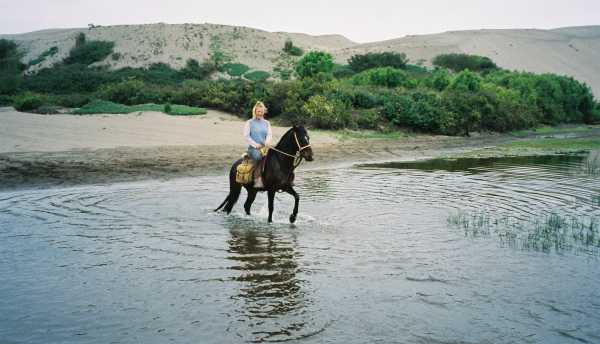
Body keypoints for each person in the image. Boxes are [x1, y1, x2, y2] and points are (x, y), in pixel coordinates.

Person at [243, 101, 272, 188]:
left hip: (265, 147)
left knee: (274, 156)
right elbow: (246, 136)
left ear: (264, 112)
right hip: (253, 148)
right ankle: (257, 179)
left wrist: (267, 142)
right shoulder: (249, 122)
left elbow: (269, 135)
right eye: (258, 111)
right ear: (255, 111)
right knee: (259, 156)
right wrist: (256, 145)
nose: (260, 113)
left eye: (262, 111)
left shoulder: (267, 123)